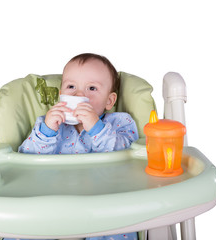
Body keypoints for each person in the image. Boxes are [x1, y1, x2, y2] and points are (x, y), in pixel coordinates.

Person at [17, 53, 139, 240]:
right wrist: (48, 130)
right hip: (52, 204)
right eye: (71, 87)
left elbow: (129, 158)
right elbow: (25, 159)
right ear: (61, 95)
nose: (79, 94)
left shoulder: (120, 122)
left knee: (118, 226)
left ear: (109, 101)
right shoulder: (48, 124)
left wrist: (96, 128)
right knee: (23, 228)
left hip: (104, 203)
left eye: (92, 88)